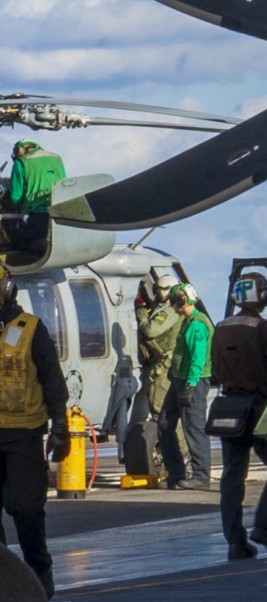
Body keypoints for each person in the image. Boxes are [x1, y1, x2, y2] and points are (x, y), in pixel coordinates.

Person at [210, 275, 267, 559]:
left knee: (232, 476)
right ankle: (265, 527)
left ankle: (235, 542)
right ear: (264, 297)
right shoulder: (266, 330)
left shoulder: (220, 329)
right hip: (261, 408)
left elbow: (217, 373)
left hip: (230, 409)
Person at [0, 265, 70, 598]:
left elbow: (53, 381)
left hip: (23, 433)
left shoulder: (30, 329)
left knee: (25, 507)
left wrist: (61, 426)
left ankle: (39, 570)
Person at [159, 283, 214, 489]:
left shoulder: (197, 325)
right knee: (164, 424)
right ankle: (176, 474)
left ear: (181, 301)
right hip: (179, 381)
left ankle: (201, 476)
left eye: (173, 302)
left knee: (194, 427)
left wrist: (191, 386)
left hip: (193, 381)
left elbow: (198, 358)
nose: (172, 306)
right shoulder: (187, 321)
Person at [132, 278, 184, 479]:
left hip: (164, 368)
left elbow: (151, 330)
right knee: (161, 413)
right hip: (158, 366)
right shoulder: (162, 308)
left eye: (163, 289)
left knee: (162, 414)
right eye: (157, 288)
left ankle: (181, 458)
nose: (159, 292)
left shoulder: (170, 310)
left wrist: (140, 313)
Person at [2, 141, 65, 258]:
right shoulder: (57, 159)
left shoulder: (21, 162)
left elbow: (15, 197)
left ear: (19, 150)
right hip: (62, 217)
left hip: (38, 217)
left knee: (15, 243)